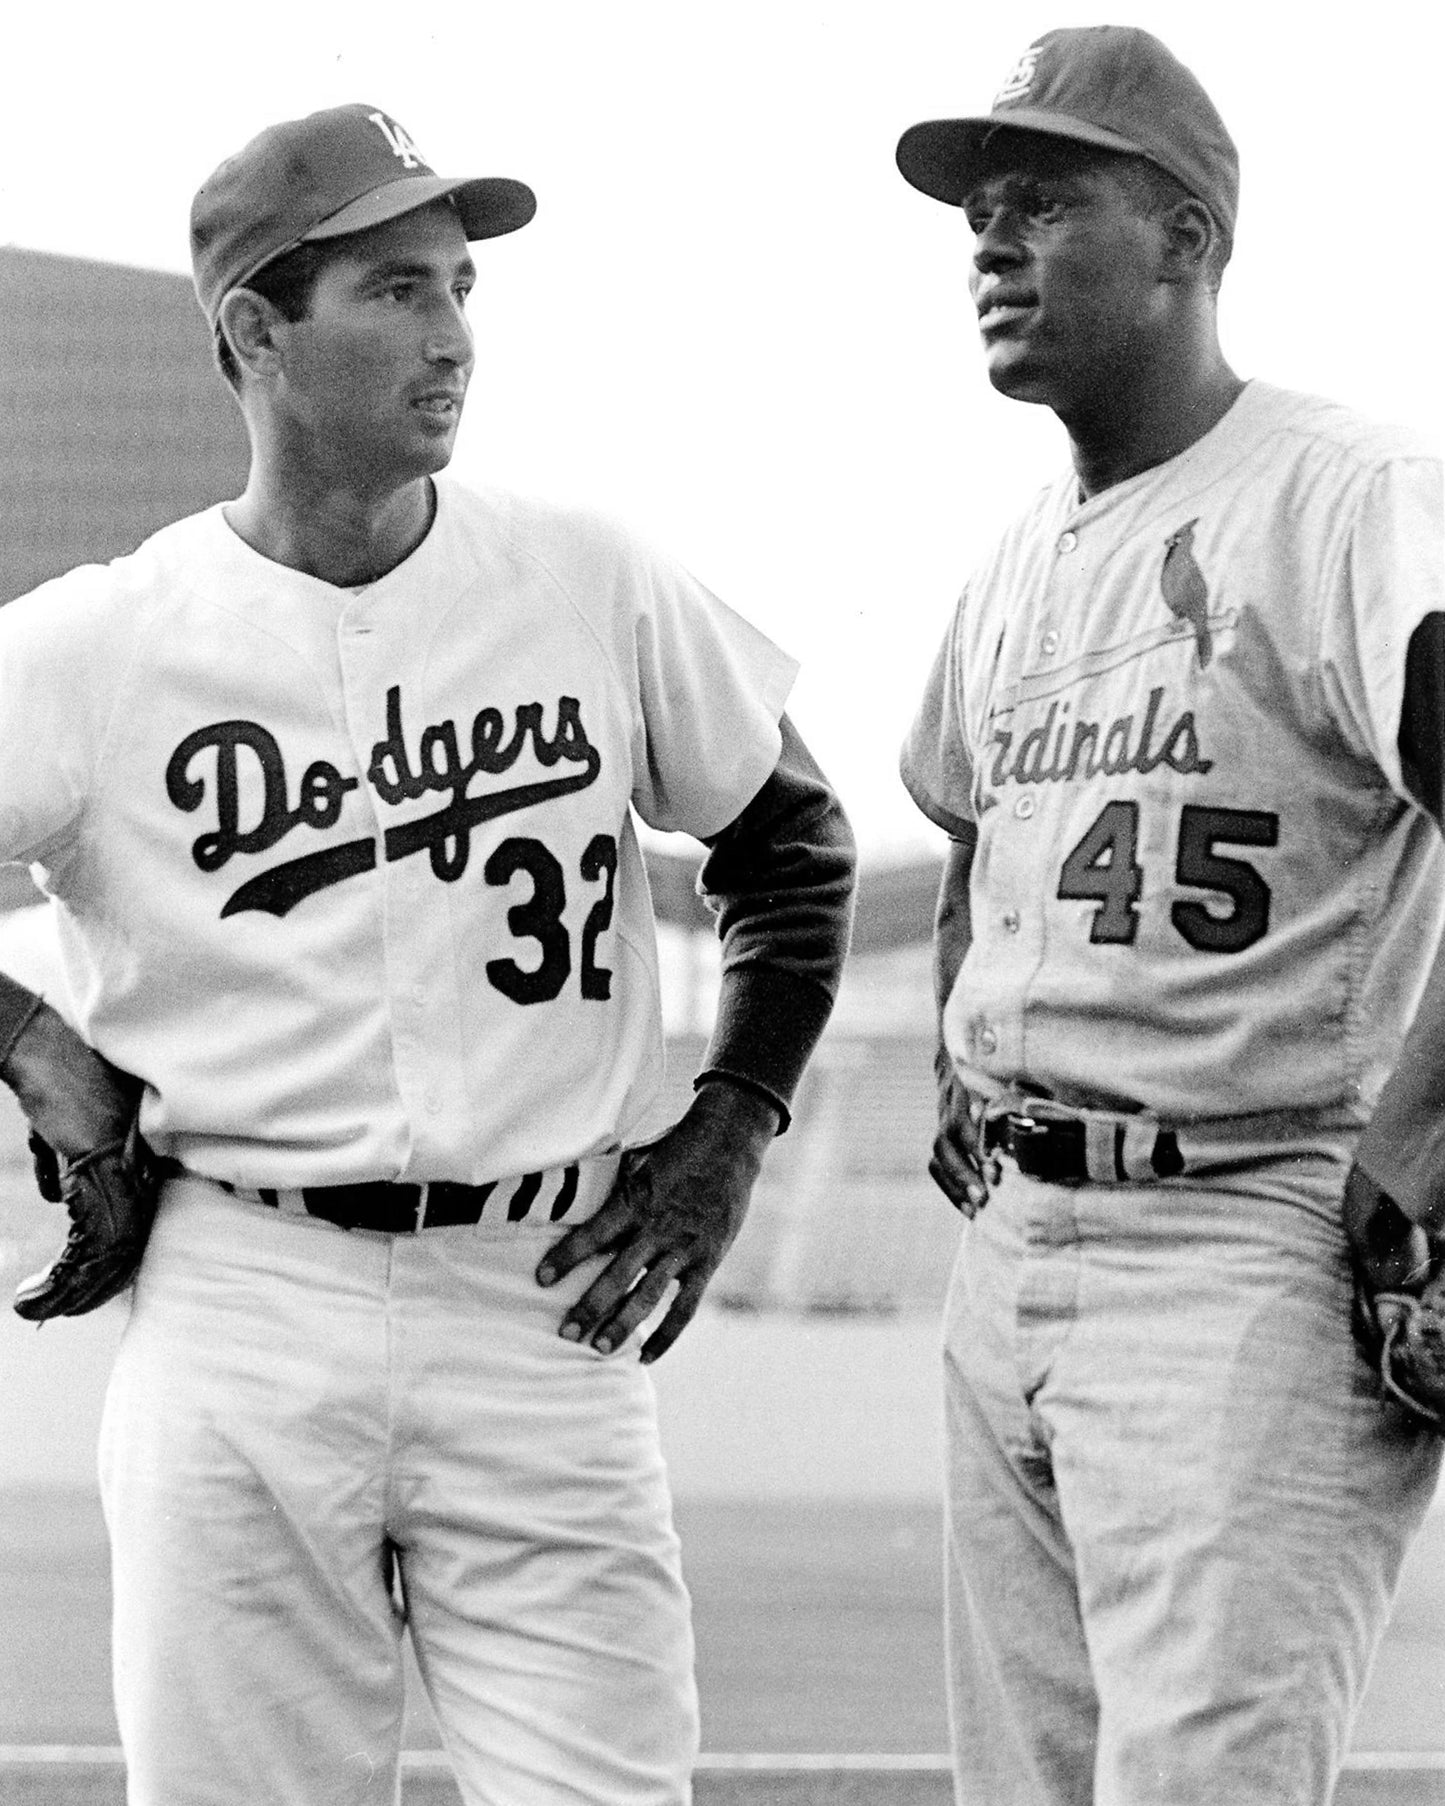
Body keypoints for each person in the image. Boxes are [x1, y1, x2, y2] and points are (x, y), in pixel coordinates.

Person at [0, 103, 854, 1804]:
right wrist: (37, 1043)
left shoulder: (585, 573)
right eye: (396, 291)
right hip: (244, 1299)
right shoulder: (103, 641)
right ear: (255, 329)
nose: (455, 336)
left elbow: (792, 839)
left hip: (548, 1296)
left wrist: (729, 1125)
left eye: (463, 288)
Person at [894, 26, 1443, 1806]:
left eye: (1043, 202)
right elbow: (965, 839)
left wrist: (1424, 1144)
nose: (990, 242)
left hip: (1249, 1236)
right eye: (979, 212)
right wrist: (966, 1057)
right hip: (1017, 1256)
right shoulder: (1007, 563)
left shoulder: (1346, 494)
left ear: (1188, 238)